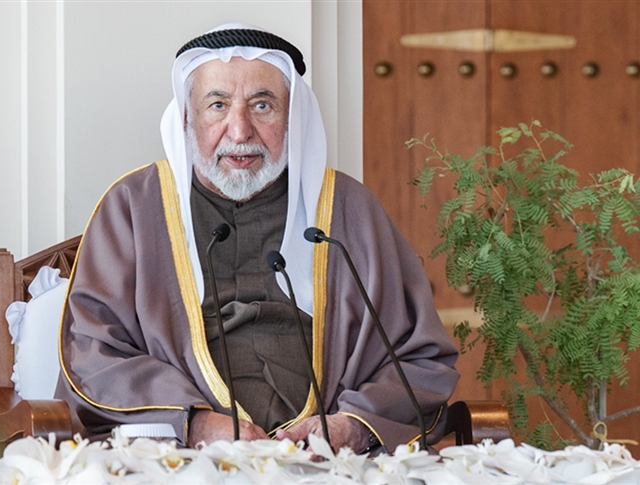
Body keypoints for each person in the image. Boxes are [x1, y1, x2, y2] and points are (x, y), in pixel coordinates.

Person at [55, 23, 459, 455]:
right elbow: (93, 352)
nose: (240, 131)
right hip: (178, 456)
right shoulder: (133, 208)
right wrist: (192, 423)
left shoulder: (349, 210)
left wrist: (353, 426)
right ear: (188, 118)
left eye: (262, 105)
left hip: (330, 462)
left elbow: (418, 358)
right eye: (217, 105)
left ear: (292, 118)